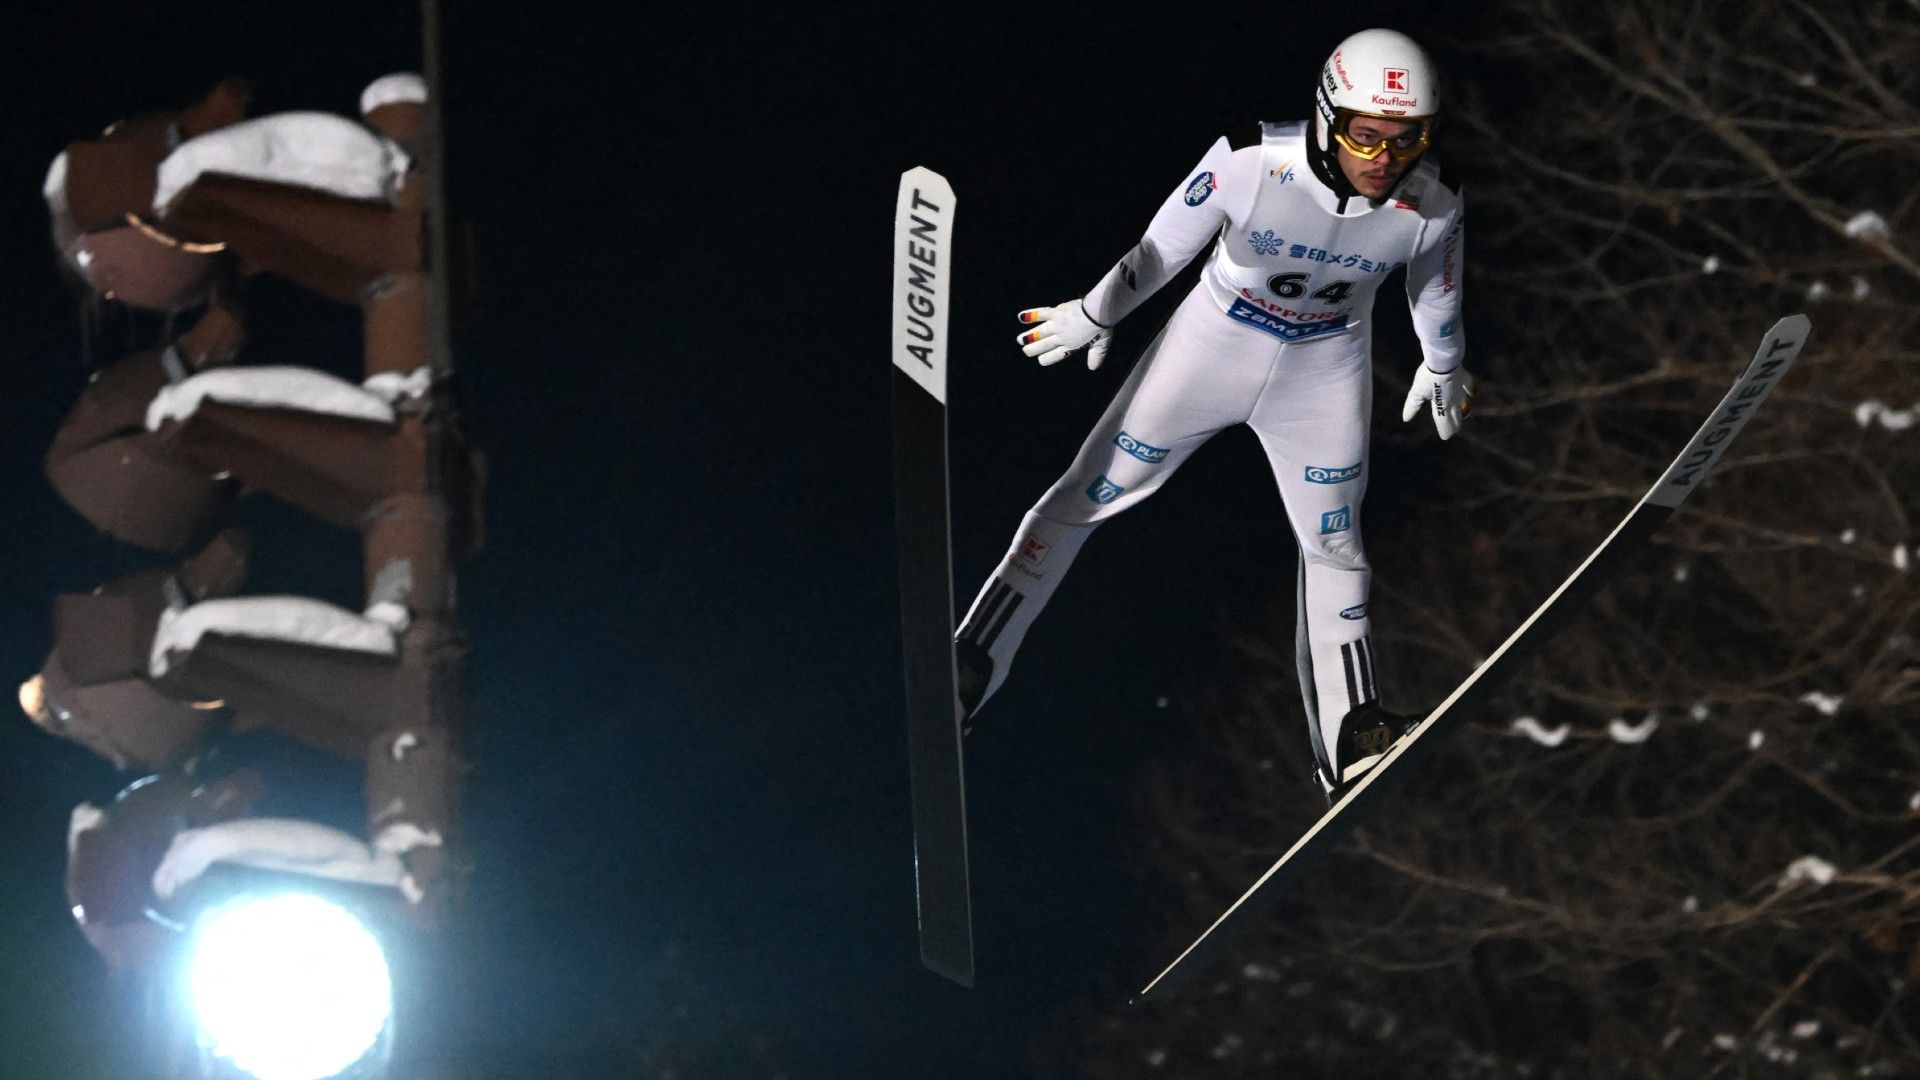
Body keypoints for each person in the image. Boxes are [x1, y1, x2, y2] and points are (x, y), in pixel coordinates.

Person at [954, 28, 1472, 802]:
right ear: (1329, 116)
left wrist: (1444, 362)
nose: (1383, 157)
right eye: (1366, 134)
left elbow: (1435, 288)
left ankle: (1352, 735)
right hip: (1212, 348)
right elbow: (1157, 251)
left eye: (1406, 139)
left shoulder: (1432, 203)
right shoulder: (1251, 161)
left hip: (1322, 372)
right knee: (1083, 497)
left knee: (1336, 545)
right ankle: (970, 664)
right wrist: (1096, 314)